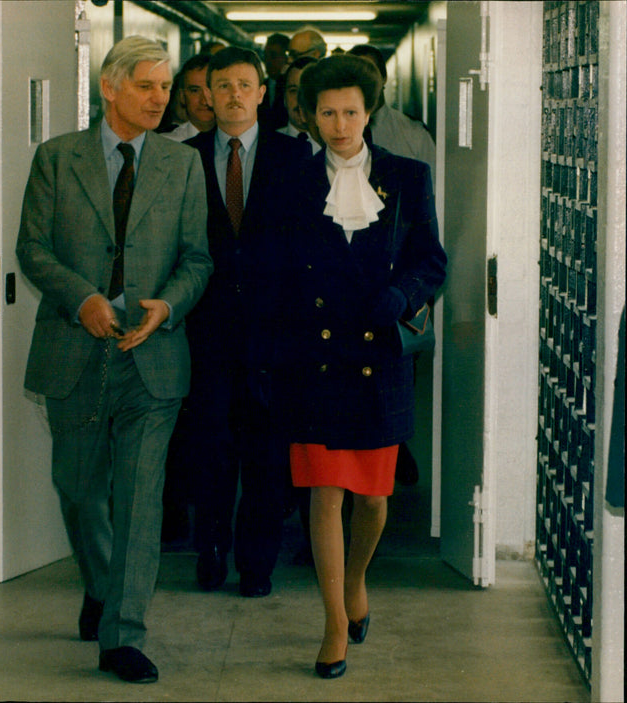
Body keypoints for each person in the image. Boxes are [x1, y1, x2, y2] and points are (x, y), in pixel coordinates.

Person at [15, 35, 212, 684]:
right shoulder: (56, 159)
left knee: (138, 498)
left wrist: (167, 306)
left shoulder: (181, 166)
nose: (162, 98)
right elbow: (34, 250)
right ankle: (102, 586)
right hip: (77, 348)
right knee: (77, 489)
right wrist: (83, 299)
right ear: (110, 87)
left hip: (151, 358)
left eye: (166, 86)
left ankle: (122, 632)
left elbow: (197, 258)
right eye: (147, 86)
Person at [272, 54, 447, 679]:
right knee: (324, 492)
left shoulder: (408, 175)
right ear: (309, 115)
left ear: (369, 112)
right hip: (315, 360)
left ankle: (357, 582)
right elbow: (272, 269)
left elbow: (433, 261)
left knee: (372, 500)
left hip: (376, 354)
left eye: (350, 111)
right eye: (326, 112)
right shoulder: (292, 181)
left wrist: (402, 296)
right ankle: (333, 623)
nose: (339, 123)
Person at [182, 46, 311, 598]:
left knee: (266, 455)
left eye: (244, 84)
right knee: (208, 450)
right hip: (203, 333)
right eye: (222, 85)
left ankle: (256, 563)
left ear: (264, 93)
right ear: (205, 95)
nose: (233, 94)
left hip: (274, 337)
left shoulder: (296, 159)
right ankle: (209, 552)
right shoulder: (182, 160)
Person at [349, 44, 436, 185]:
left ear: (384, 78)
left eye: (370, 73)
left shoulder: (414, 134)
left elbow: (433, 190)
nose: (363, 81)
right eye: (355, 75)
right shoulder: (336, 132)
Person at [162, 53, 216, 142]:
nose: (204, 101)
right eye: (195, 91)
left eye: (210, 90)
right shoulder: (164, 144)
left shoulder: (235, 145)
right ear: (182, 97)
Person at [277, 55, 321, 154]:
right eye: (293, 91)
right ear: (284, 98)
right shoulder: (265, 146)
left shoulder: (336, 145)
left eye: (308, 90)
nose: (300, 99)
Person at [258, 32, 289, 130]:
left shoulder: (291, 86)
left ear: (286, 57)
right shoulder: (259, 86)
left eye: (273, 55)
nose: (268, 61)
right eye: (265, 56)